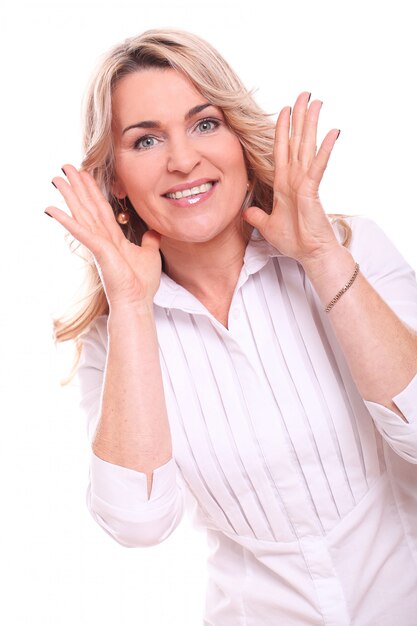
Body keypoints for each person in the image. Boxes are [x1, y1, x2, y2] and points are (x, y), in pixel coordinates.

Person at [47, 29, 417, 626]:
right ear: (115, 178)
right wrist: (133, 308)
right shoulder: (114, 339)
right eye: (145, 139)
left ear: (239, 136)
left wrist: (321, 256)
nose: (182, 159)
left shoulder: (350, 248)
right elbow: (138, 523)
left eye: (204, 124)